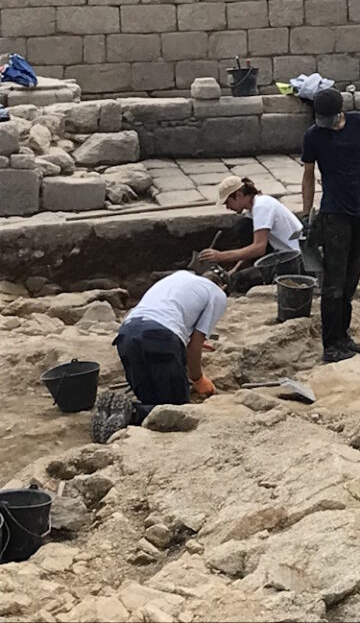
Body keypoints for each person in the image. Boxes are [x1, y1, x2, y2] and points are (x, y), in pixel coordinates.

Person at [91, 266, 228, 443]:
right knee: (177, 410)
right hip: (161, 337)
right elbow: (195, 347)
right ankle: (131, 412)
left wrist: (182, 343)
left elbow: (170, 312)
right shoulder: (217, 294)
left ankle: (112, 408)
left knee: (152, 400)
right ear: (222, 286)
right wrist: (198, 379)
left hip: (127, 334)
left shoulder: (180, 277)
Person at [302, 87, 360, 363]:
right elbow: (309, 176)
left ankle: (343, 335)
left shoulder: (359, 123)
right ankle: (330, 344)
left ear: (340, 112)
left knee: (350, 280)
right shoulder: (313, 136)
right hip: (334, 214)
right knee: (333, 284)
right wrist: (305, 212)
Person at [199, 175, 304, 294]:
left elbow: (259, 248)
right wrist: (234, 269)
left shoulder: (262, 206)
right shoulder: (255, 208)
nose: (228, 207)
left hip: (295, 260)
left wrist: (221, 256)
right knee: (243, 226)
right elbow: (254, 244)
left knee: (239, 281)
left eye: (228, 202)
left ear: (238, 195)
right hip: (283, 254)